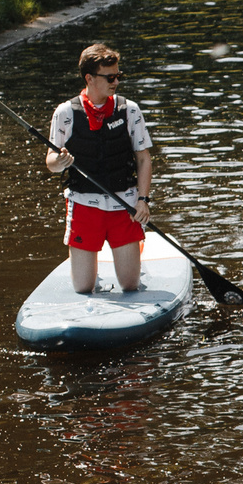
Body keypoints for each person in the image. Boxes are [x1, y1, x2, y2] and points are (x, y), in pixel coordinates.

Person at [45, 42, 154, 295]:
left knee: (130, 284)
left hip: (123, 204)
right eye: (110, 77)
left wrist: (143, 200)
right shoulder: (65, 113)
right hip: (84, 204)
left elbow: (144, 159)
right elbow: (50, 162)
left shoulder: (130, 110)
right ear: (89, 78)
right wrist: (58, 162)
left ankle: (132, 248)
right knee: (83, 287)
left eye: (118, 76)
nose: (116, 81)